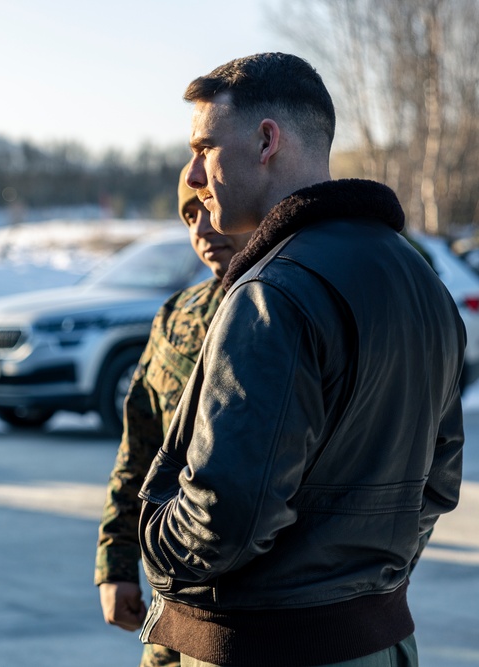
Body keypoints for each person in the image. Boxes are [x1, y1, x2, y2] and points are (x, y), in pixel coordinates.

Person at [137, 52, 465, 667]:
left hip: (270, 647)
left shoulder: (271, 293)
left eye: (205, 146)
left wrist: (155, 541)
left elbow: (228, 513)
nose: (195, 174)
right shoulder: (422, 283)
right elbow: (438, 481)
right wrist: (368, 575)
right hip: (382, 642)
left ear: (267, 141)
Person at [95, 164, 252, 667]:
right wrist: (115, 566)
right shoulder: (176, 316)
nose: (202, 230)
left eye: (208, 208)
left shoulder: (291, 311)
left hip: (262, 610)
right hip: (174, 600)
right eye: (188, 216)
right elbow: (137, 450)